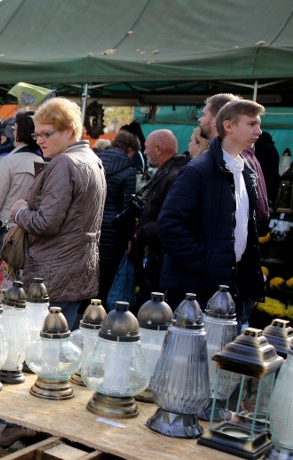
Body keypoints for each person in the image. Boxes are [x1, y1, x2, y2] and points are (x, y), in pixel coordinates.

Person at [158, 99, 266, 324]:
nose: (259, 130)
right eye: (252, 124)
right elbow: (169, 225)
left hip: (227, 289)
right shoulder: (198, 170)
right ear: (229, 126)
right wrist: (204, 263)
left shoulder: (246, 172)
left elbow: (244, 227)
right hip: (195, 291)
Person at [8, 97, 106, 327]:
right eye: (36, 135)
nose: (40, 141)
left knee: (43, 348)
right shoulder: (92, 159)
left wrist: (19, 212)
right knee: (57, 344)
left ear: (69, 131)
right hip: (73, 268)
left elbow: (46, 223)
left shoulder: (65, 163)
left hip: (53, 273)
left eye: (46, 134)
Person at [0, 111, 43, 290]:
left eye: (15, 127)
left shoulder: (10, 162)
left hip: (4, 239)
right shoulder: (44, 163)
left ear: (19, 131)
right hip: (30, 238)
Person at [132, 129, 190, 303]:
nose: (145, 152)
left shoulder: (174, 176)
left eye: (147, 148)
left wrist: (141, 233)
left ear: (158, 149)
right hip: (156, 255)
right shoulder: (171, 172)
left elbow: (169, 220)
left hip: (160, 257)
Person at [199, 93, 270, 228]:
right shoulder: (204, 164)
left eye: (204, 114)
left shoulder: (243, 161)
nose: (199, 119)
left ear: (218, 119)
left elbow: (259, 214)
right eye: (252, 124)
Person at [97, 130, 140, 304]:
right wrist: (130, 236)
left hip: (92, 224)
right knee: (107, 275)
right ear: (130, 150)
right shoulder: (128, 170)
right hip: (113, 230)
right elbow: (126, 207)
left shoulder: (96, 161)